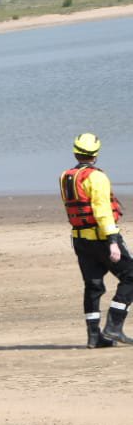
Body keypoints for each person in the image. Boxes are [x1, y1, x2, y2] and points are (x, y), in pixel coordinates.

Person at [59, 132, 133, 347]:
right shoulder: (97, 177)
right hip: (101, 237)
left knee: (93, 285)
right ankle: (114, 326)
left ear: (76, 152)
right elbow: (102, 211)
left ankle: (94, 336)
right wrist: (112, 240)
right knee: (130, 276)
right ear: (96, 153)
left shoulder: (66, 176)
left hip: (80, 240)